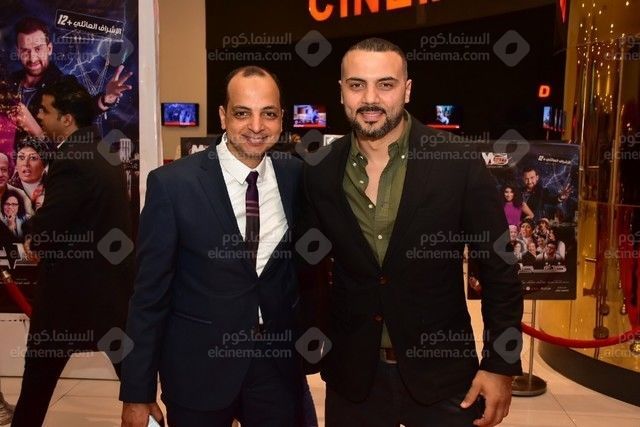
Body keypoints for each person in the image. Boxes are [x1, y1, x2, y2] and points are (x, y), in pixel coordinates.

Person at [299, 38, 522, 427]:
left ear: (407, 89)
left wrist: (500, 365)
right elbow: (310, 272)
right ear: (341, 91)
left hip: (444, 377)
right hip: (354, 379)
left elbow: (499, 269)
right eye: (357, 85)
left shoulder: (457, 162)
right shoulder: (319, 170)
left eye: (385, 84)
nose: (370, 98)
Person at [120, 66, 306, 427]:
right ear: (223, 116)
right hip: (197, 370)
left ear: (281, 119)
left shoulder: (294, 176)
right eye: (242, 113)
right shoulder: (173, 185)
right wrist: (137, 392)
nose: (256, 126)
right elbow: (148, 296)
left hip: (275, 369)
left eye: (268, 113)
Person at [11, 75, 134, 426]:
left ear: (66, 118)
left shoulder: (72, 160)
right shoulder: (101, 152)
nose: (39, 115)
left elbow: (53, 220)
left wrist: (33, 236)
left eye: (45, 110)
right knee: (134, 384)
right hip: (108, 292)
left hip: (70, 297)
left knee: (37, 384)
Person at [8, 17, 133, 138]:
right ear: (18, 52)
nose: (32, 58)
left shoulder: (63, 84)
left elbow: (85, 110)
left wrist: (107, 99)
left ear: (49, 49)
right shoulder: (9, 81)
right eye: (25, 51)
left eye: (38, 49)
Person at [9, 137, 50, 203]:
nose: (26, 164)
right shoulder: (6, 189)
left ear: (44, 164)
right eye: (21, 157)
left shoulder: (55, 186)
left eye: (33, 158)